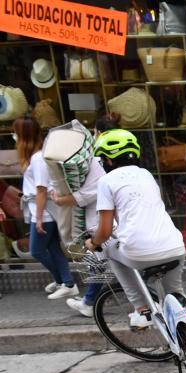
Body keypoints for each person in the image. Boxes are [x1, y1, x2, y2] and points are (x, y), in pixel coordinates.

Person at [85, 130, 186, 329]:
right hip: (175, 247)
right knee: (176, 294)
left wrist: (93, 243)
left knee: (107, 248)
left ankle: (142, 309)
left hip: (138, 253)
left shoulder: (106, 181)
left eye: (102, 159)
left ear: (109, 160)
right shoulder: (146, 175)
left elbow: (104, 231)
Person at [16, 116, 78, 300]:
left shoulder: (37, 158)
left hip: (44, 211)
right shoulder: (37, 156)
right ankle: (65, 282)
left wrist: (39, 217)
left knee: (36, 250)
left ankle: (65, 281)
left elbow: (41, 190)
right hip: (42, 208)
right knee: (53, 248)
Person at [58, 115, 115, 317]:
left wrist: (63, 200)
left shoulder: (96, 161)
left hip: (101, 219)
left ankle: (90, 302)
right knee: (101, 261)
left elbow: (92, 192)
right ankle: (90, 301)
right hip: (105, 217)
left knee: (98, 260)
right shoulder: (102, 159)